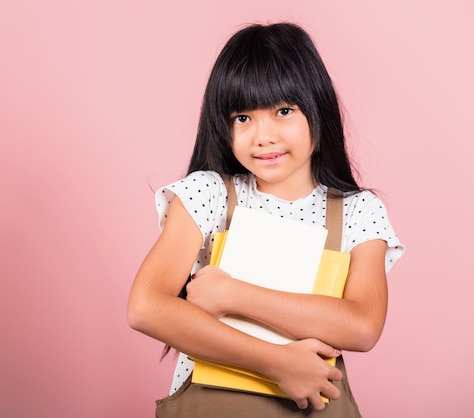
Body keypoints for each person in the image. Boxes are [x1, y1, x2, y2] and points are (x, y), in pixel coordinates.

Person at [127, 22, 404, 417]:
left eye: (284, 111)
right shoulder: (209, 194)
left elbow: (362, 326)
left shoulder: (359, 211)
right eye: (243, 118)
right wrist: (276, 362)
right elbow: (145, 306)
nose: (263, 135)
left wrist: (234, 294)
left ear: (318, 110)